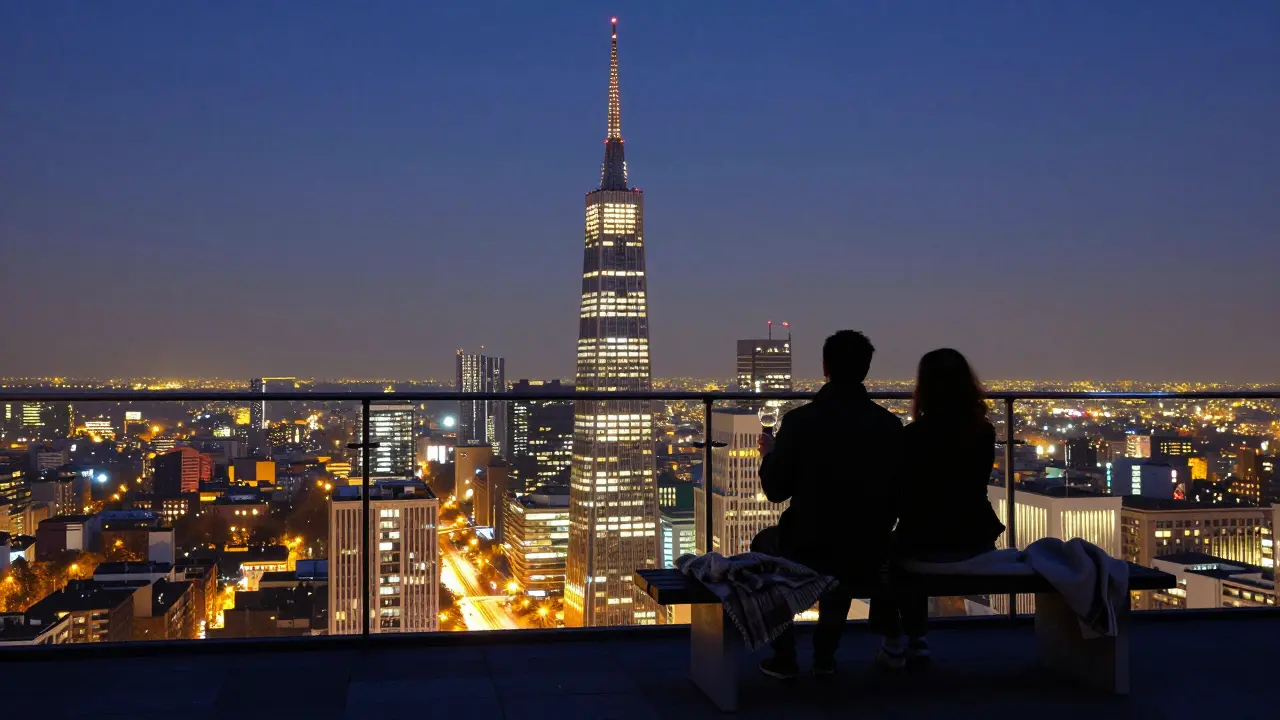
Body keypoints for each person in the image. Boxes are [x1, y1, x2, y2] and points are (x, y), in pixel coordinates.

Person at [752, 330, 904, 679]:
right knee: (843, 562)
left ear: (825, 368)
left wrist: (770, 456)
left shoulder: (800, 422)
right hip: (869, 546)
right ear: (866, 370)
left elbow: (776, 490)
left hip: (808, 543)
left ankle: (785, 654)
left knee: (764, 547)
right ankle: (825, 654)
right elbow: (897, 493)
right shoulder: (888, 425)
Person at [872, 348, 1004, 669]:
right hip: (977, 542)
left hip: (925, 543)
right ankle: (916, 641)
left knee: (890, 556)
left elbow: (900, 497)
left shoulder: (912, 436)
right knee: (907, 549)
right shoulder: (983, 432)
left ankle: (898, 640)